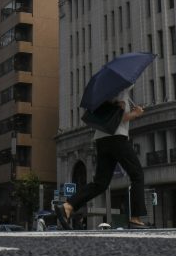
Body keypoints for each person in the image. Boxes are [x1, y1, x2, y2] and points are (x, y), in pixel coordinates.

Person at [55, 87, 148, 229]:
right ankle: (135, 218)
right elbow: (119, 119)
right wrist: (136, 113)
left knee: (100, 183)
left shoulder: (105, 93)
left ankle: (68, 206)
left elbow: (110, 114)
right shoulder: (121, 91)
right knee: (137, 174)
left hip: (101, 140)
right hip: (117, 138)